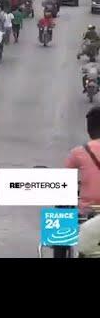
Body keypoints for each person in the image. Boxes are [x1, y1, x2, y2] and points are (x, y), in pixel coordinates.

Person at [61, 106, 100, 258]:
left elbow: (64, 183)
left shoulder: (78, 152)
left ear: (89, 130)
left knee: (61, 212)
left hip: (87, 211)